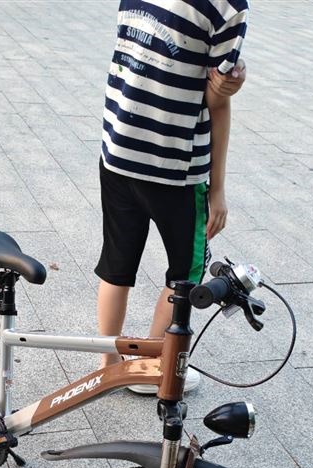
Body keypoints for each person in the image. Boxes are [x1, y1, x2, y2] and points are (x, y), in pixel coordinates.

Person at [95, 0, 249, 393]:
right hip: (175, 167)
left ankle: (107, 364)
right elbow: (217, 101)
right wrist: (217, 190)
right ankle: (151, 366)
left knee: (116, 263)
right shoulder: (227, 7)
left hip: (118, 149)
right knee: (188, 272)